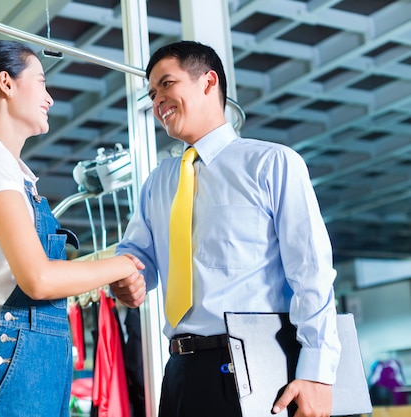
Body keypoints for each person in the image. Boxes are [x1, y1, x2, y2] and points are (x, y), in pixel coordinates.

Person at [111, 40, 341, 417]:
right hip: (181, 371)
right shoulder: (159, 182)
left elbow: (311, 272)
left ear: (208, 82)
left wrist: (317, 372)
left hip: (256, 367)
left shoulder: (272, 164)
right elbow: (137, 258)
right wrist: (128, 278)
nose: (157, 102)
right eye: (152, 94)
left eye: (167, 84)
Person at [0, 39, 145, 417]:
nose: (49, 98)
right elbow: (38, 278)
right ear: (6, 83)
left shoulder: (16, 174)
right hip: (7, 359)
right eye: (40, 82)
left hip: (30, 363)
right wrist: (124, 264)